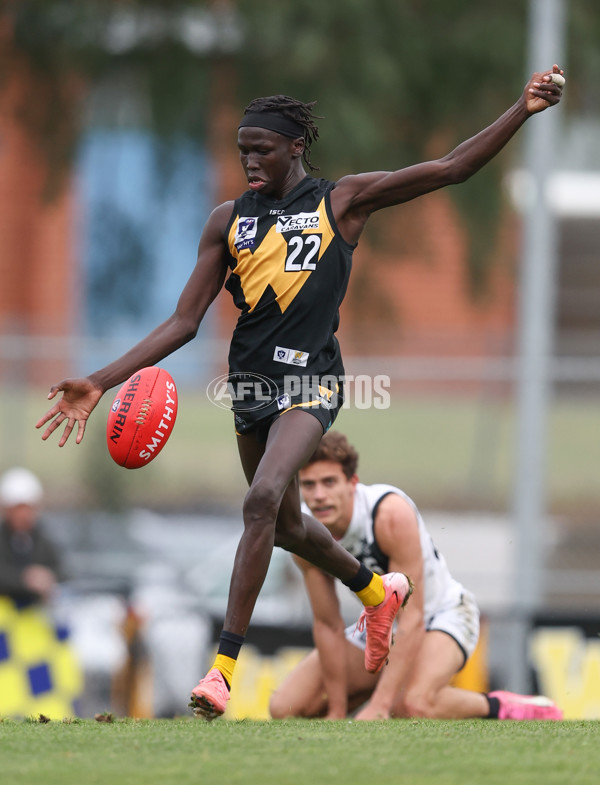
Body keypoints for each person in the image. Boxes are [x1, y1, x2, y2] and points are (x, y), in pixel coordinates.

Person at [36, 65, 564, 720]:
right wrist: (99, 380)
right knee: (285, 525)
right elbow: (183, 321)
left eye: (262, 148)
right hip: (251, 386)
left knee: (259, 500)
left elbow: (451, 167)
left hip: (313, 381)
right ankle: (375, 591)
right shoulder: (228, 221)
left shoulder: (341, 201)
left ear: (295, 147)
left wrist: (522, 108)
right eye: (241, 151)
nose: (250, 160)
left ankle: (221, 668)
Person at [269, 431, 563, 721]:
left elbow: (413, 616)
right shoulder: (304, 534)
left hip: (442, 615)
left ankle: (506, 707)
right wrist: (335, 710)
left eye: (329, 482)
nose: (319, 495)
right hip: (381, 629)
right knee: (287, 707)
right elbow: (327, 625)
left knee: (414, 705)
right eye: (309, 485)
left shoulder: (389, 515)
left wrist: (380, 706)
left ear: (352, 483)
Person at [0, 467, 63, 605]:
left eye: (29, 508)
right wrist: (25, 579)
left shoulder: (42, 540)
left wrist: (48, 577)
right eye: (19, 508)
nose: (24, 515)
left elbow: (62, 570)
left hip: (34, 617)